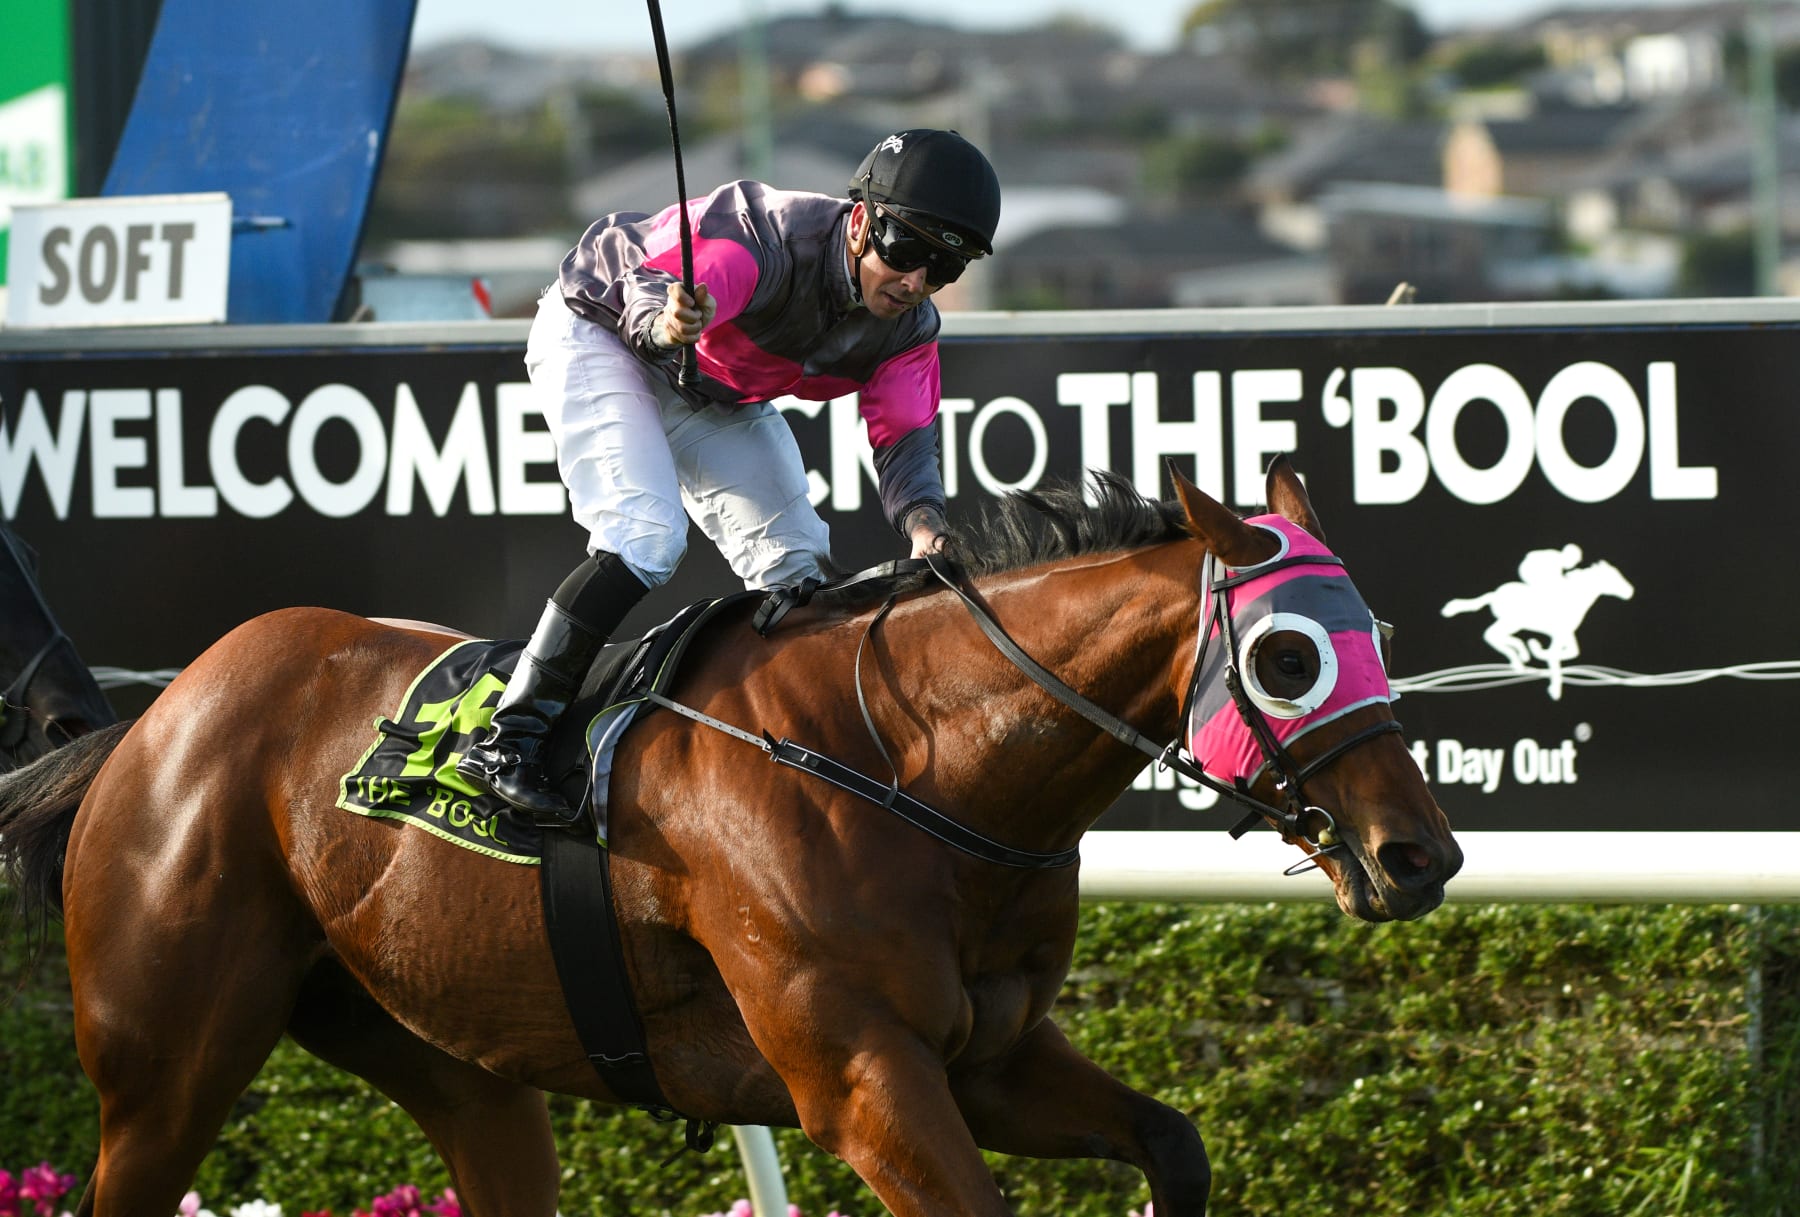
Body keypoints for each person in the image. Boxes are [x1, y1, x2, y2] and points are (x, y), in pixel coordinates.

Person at [457, 128, 1003, 823]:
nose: (915, 281)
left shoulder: (908, 328)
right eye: (908, 251)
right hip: (599, 329)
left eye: (944, 268)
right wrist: (670, 321)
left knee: (798, 568)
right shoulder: (768, 235)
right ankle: (507, 738)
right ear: (862, 219)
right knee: (645, 537)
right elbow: (658, 288)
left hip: (708, 385)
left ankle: (792, 760)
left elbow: (905, 441)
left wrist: (926, 529)